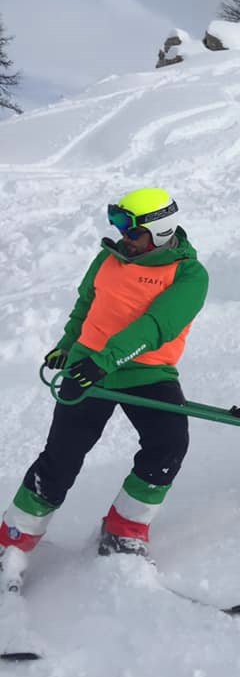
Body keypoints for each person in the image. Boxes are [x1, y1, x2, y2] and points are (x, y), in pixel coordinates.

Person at [0, 188, 208, 592]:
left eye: (130, 228)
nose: (122, 235)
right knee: (61, 456)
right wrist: (67, 345)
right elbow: (86, 303)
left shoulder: (188, 274)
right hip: (88, 367)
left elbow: (156, 326)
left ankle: (123, 532)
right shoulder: (111, 256)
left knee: (168, 444)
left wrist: (104, 362)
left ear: (160, 231)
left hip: (145, 371)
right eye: (117, 224)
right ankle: (12, 542)